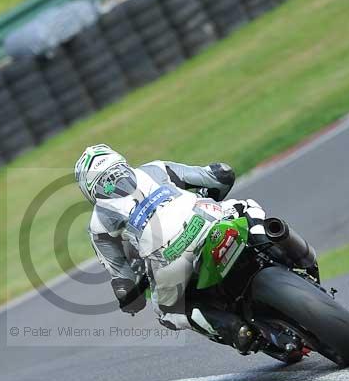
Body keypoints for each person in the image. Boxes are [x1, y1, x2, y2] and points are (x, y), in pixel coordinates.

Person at [74, 144, 267, 351]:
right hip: (207, 221)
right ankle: (275, 241)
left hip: (169, 259)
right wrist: (210, 195)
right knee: (246, 207)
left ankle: (233, 328)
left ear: (89, 189)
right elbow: (221, 175)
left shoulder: (98, 222)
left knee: (167, 311)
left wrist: (131, 299)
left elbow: (123, 281)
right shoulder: (155, 168)